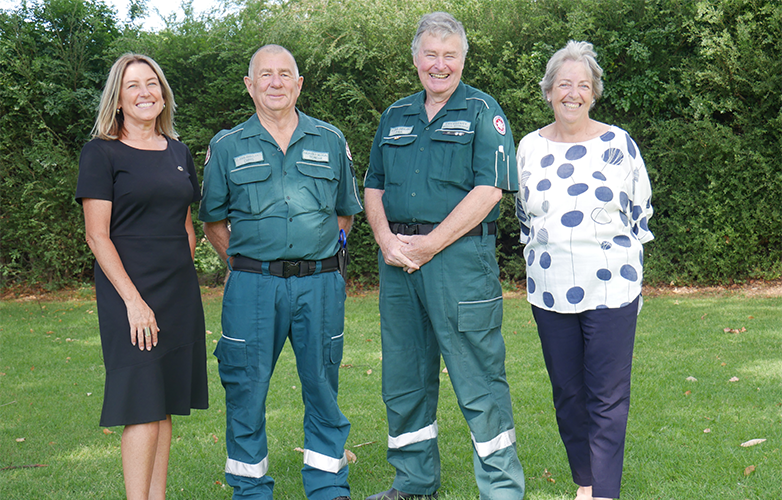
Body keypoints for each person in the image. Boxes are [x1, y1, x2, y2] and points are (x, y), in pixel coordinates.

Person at [364, 12, 525, 500]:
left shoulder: (482, 110)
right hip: (398, 263)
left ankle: (501, 490)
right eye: (430, 54)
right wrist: (387, 241)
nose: (439, 65)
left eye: (449, 55)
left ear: (463, 59)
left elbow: (491, 190)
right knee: (404, 376)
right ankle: (414, 484)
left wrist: (431, 244)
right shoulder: (395, 115)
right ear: (416, 60)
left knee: (478, 376)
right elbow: (373, 185)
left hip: (457, 261)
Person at [199, 44, 363, 500]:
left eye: (284, 74)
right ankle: (251, 490)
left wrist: (326, 258)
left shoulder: (330, 140)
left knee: (323, 387)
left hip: (320, 285)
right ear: (250, 85)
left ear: (298, 84)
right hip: (253, 287)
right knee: (246, 389)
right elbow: (213, 222)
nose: (275, 82)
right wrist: (246, 264)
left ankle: (329, 486)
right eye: (265, 75)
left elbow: (346, 212)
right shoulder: (227, 146)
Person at [515, 40, 654, 500]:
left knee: (608, 399)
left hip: (612, 288)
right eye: (563, 84)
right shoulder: (529, 147)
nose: (572, 93)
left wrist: (627, 271)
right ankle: (586, 483)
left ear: (594, 93)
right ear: (549, 92)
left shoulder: (618, 143)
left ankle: (604, 495)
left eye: (582, 85)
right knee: (569, 397)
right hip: (549, 290)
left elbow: (640, 214)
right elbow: (524, 217)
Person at [76, 53, 208, 500]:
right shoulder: (100, 152)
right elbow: (97, 236)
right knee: (141, 403)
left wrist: (183, 276)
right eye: (133, 86)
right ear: (117, 99)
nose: (145, 93)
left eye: (151, 83)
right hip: (127, 292)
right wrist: (133, 300)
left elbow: (186, 224)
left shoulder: (177, 151)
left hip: (177, 292)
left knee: (166, 401)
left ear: (163, 92)